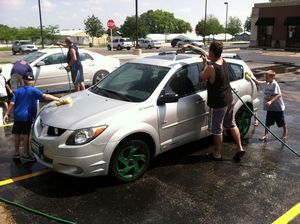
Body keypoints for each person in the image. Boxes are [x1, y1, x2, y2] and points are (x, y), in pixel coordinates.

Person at [181, 41, 245, 162]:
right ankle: (240, 148)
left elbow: (201, 78)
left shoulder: (211, 67)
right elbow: (203, 52)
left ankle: (217, 154)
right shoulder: (223, 61)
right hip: (229, 100)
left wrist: (204, 63)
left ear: (212, 52)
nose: (207, 52)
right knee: (232, 124)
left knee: (217, 130)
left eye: (209, 50)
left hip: (218, 104)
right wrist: (189, 47)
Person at [3, 72, 64, 162]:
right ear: (33, 81)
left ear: (23, 81)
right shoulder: (33, 90)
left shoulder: (18, 91)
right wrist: (58, 99)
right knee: (26, 135)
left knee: (17, 134)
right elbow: (45, 96)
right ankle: (26, 154)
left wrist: (6, 114)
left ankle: (16, 153)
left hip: (18, 116)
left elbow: (12, 103)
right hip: (27, 117)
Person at [250, 70, 288, 141]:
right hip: (270, 108)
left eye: (267, 78)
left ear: (272, 77)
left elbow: (279, 95)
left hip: (278, 108)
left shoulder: (275, 84)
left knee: (281, 122)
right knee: (268, 122)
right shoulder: (266, 83)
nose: (266, 79)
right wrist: (251, 78)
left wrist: (270, 101)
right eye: (265, 78)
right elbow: (258, 82)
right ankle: (265, 135)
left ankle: (285, 133)